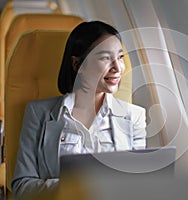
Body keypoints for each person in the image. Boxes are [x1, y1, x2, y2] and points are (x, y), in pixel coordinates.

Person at [11, 21, 147, 199]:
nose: (117, 68)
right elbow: (22, 187)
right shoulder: (39, 114)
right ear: (77, 65)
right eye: (105, 58)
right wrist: (82, 189)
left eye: (120, 57)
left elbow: (138, 187)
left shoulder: (134, 117)